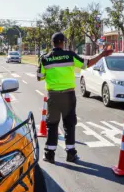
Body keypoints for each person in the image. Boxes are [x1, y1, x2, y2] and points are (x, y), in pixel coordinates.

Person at [37, 32, 113, 163]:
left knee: (52, 124)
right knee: (69, 124)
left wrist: (50, 75)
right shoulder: (70, 55)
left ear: (52, 43)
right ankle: (71, 154)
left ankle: (49, 154)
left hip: (53, 96)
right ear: (62, 42)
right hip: (68, 95)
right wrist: (102, 55)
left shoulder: (45, 58)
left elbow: (39, 77)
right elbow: (87, 64)